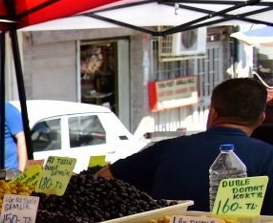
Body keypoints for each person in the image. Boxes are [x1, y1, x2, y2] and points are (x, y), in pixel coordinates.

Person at [102, 76, 273, 212]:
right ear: (260, 120)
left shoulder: (165, 149)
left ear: (213, 113)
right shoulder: (269, 156)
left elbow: (102, 179)